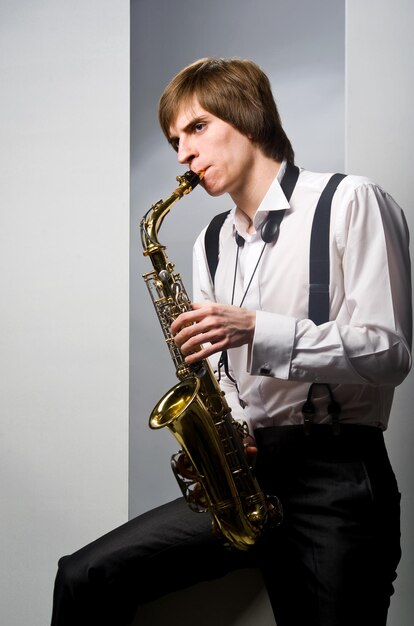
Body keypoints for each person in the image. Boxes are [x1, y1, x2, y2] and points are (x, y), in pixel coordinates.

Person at [51, 57, 412, 626]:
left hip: (337, 478)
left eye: (196, 128)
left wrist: (255, 328)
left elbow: (389, 352)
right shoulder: (211, 241)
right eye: (175, 139)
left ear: (247, 116)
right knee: (85, 577)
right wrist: (226, 427)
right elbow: (218, 370)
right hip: (248, 473)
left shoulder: (350, 202)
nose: (182, 155)